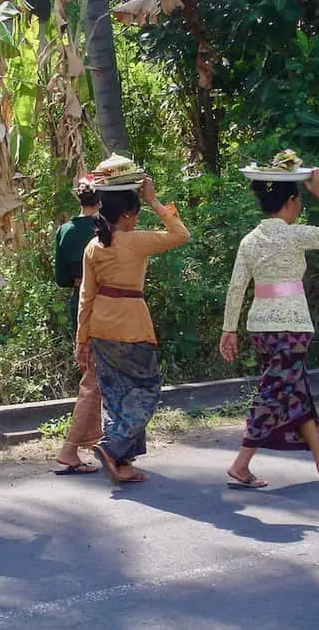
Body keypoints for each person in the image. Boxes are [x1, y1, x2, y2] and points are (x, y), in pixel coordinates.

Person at [219, 168, 319, 488]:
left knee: (295, 390)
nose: (301, 207)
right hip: (291, 328)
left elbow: (236, 288)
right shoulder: (295, 234)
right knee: (274, 393)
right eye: (301, 201)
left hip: (261, 329)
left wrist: (229, 329)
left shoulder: (249, 240)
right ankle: (240, 465)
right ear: (291, 202)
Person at [76, 177, 190, 483]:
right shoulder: (135, 240)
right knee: (147, 389)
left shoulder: (93, 246)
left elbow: (86, 296)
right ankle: (113, 447)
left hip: (100, 326)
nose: (138, 218)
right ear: (126, 214)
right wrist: (154, 201)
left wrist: (82, 338)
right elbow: (180, 234)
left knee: (116, 396)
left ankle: (123, 463)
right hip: (131, 325)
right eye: (137, 212)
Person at [53, 180, 103, 474]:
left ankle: (97, 443)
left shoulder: (65, 230)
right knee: (96, 379)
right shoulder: (106, 229)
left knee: (90, 370)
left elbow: (60, 277)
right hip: (105, 302)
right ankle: (72, 449)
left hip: (78, 301)